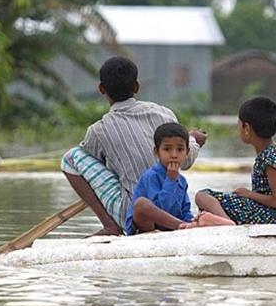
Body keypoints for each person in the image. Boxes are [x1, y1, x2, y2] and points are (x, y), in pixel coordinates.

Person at [61, 56, 207, 236]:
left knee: (70, 157)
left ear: (101, 89)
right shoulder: (163, 113)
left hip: (133, 213)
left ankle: (110, 226)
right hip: (168, 208)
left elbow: (89, 164)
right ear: (137, 86)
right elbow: (185, 161)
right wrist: (194, 140)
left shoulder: (98, 130)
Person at [195, 96, 276, 224]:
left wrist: (249, 194)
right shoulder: (275, 150)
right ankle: (224, 221)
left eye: (239, 125)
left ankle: (227, 224)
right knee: (220, 199)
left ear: (246, 128)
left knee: (202, 196)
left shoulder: (269, 157)